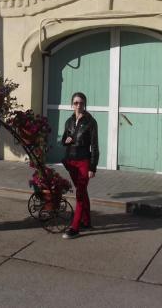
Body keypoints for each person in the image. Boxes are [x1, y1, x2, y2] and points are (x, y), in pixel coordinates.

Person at [61, 92, 99, 239]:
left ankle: (75, 227)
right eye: (76, 103)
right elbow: (64, 139)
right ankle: (87, 221)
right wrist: (66, 140)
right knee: (81, 192)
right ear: (72, 104)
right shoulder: (69, 121)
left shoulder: (91, 122)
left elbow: (95, 146)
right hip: (71, 162)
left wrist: (92, 167)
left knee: (80, 194)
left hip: (84, 161)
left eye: (81, 103)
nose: (78, 105)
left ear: (85, 105)